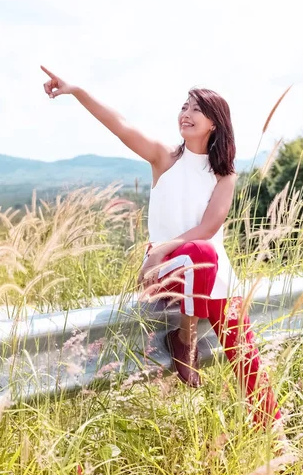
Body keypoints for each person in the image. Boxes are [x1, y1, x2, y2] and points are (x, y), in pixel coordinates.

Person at [41, 65, 283, 433]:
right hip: (169, 268)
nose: (185, 114)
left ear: (214, 123)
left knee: (248, 362)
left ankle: (276, 441)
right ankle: (184, 338)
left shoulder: (225, 174)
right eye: (183, 106)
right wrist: (77, 91)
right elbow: (119, 122)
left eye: (195, 109)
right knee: (202, 254)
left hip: (214, 274)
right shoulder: (163, 157)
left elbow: (209, 228)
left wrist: (159, 248)